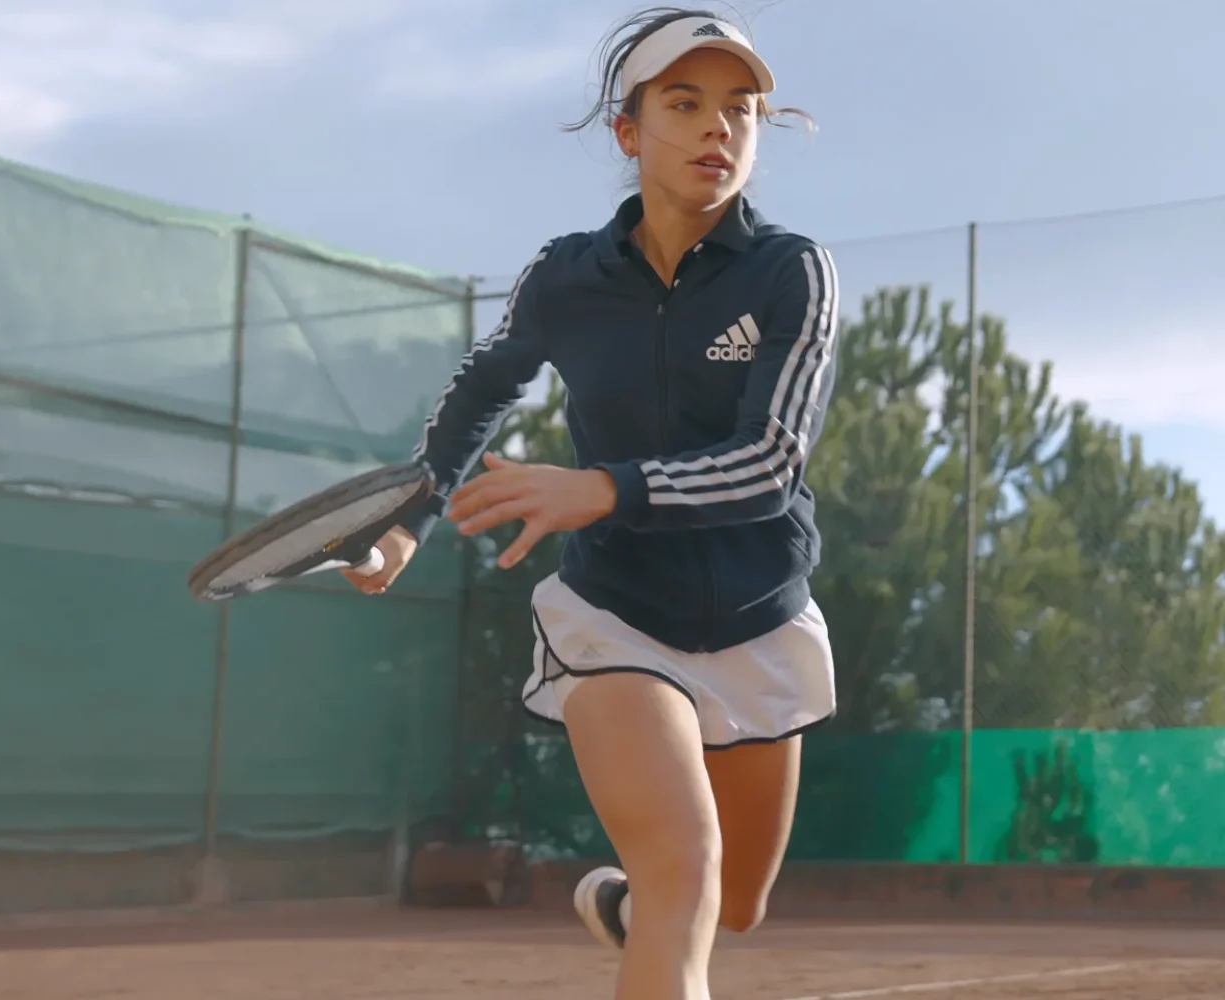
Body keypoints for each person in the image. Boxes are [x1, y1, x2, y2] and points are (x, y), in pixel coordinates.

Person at [343, 8, 837, 998]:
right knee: (683, 871)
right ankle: (650, 903)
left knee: (735, 902)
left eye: (740, 108)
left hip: (758, 613)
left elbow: (771, 462)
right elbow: (485, 386)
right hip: (615, 617)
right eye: (684, 103)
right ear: (627, 130)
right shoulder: (565, 274)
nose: (717, 128)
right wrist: (409, 516)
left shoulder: (792, 271)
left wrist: (603, 487)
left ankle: (621, 910)